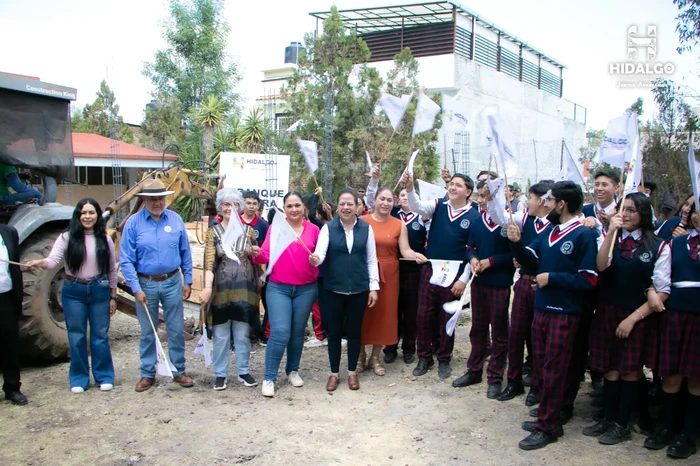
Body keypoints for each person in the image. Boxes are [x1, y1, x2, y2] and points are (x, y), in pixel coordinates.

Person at [508, 181, 599, 450]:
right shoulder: (549, 231)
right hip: (541, 308)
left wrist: (553, 278)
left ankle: (547, 426)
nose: (545, 203)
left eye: (550, 199)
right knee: (543, 365)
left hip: (565, 312)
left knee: (556, 368)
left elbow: (589, 279)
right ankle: (550, 417)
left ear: (562, 204)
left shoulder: (584, 235)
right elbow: (529, 259)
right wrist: (514, 243)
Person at [582, 193, 667, 445]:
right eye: (623, 210)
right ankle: (608, 419)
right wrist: (611, 232)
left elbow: (662, 289)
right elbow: (601, 266)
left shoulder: (658, 245)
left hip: (637, 315)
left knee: (629, 370)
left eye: (632, 210)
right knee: (610, 368)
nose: (627, 214)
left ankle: (622, 424)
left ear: (644, 214)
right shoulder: (611, 238)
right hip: (608, 310)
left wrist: (632, 319)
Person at [26, 199, 117, 393]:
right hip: (73, 292)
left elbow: (111, 270)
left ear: (97, 215)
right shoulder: (66, 238)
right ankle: (79, 378)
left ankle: (104, 376)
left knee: (100, 336)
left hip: (99, 289)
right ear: (77, 215)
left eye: (91, 212)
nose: (87, 216)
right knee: (76, 337)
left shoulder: (105, 239)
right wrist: (39, 263)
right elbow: (52, 261)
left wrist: (113, 296)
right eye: (83, 213)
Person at [403, 171, 480, 379]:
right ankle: (424, 357)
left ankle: (444, 358)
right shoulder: (438, 206)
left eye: (458, 185)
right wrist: (410, 189)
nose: (452, 188)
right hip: (431, 268)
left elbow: (472, 249)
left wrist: (463, 280)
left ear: (468, 192)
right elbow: (417, 207)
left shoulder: (474, 216)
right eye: (451, 184)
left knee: (447, 317)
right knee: (423, 315)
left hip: (455, 272)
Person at [119, 178, 194, 392]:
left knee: (175, 328)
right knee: (147, 331)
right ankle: (147, 373)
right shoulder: (133, 224)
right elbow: (126, 259)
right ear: (144, 200)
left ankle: (179, 370)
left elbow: (185, 253)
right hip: (146, 283)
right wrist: (136, 288)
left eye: (160, 198)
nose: (157, 203)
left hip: (172, 282)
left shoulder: (176, 220)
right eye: (152, 199)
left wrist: (187, 280)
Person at [487, 181, 552, 405]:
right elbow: (498, 216)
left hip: (545, 287)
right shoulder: (525, 218)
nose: (527, 202)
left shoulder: (558, 225)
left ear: (543, 201)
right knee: (516, 335)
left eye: (531, 198)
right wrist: (493, 196)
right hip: (524, 283)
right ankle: (513, 381)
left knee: (539, 339)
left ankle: (536, 383)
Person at [643, 204, 700, 459]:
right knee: (672, 375)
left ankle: (689, 435)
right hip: (676, 316)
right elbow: (661, 278)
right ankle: (667, 427)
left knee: (697, 378)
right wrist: (652, 290)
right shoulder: (675, 244)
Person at [309, 189, 379, 391]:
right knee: (334, 333)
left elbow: (371, 259)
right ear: (337, 207)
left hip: (359, 289)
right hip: (332, 289)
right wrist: (315, 259)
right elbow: (320, 254)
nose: (346, 207)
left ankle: (351, 372)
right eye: (342, 204)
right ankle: (333, 373)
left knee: (354, 332)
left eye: (350, 204)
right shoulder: (328, 229)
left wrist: (373, 287)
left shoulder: (366, 229)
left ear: (358, 207)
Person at [253, 192, 320, 397]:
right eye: (289, 206)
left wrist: (318, 259)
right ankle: (269, 377)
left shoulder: (314, 230)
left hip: (306, 288)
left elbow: (322, 255)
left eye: (297, 205)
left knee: (298, 332)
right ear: (284, 209)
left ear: (304, 208)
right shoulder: (275, 229)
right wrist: (256, 253)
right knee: (280, 331)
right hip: (278, 287)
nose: (293, 209)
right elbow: (265, 254)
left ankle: (292, 370)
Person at [452, 180, 515, 399]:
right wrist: (473, 259)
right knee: (477, 329)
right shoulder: (478, 222)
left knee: (499, 331)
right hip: (479, 284)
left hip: (499, 284)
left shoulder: (509, 222)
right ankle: (474, 370)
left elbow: (515, 255)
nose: (483, 200)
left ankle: (495, 377)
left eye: (487, 195)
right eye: (480, 196)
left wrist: (491, 261)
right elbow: (469, 247)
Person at [358, 187, 427, 376]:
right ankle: (360, 355)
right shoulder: (362, 222)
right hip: (365, 273)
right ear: (374, 200)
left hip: (389, 275)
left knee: (384, 315)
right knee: (363, 315)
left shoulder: (399, 224)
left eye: (389, 200)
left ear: (394, 202)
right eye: (382, 199)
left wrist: (417, 256)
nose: (385, 203)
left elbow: (405, 250)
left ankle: (376, 357)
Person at [199, 188, 262, 391]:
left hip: (245, 289)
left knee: (243, 333)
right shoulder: (213, 232)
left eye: (234, 204)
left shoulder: (248, 231)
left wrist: (256, 254)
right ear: (220, 207)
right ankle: (220, 373)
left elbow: (257, 260)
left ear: (239, 207)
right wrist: (207, 287)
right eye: (226, 204)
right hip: (221, 290)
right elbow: (209, 263)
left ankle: (243, 370)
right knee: (221, 334)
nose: (230, 208)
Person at [384, 187, 427, 364]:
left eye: (409, 195)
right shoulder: (392, 216)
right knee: (392, 309)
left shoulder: (423, 217)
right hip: (393, 269)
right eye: (402, 195)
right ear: (397, 199)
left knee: (411, 311)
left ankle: (409, 347)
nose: (405, 198)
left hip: (415, 271)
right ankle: (390, 346)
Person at [0, 224, 28, 405]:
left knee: (9, 343)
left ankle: (12, 388)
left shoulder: (8, 232)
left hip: (6, 296)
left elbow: (15, 265)